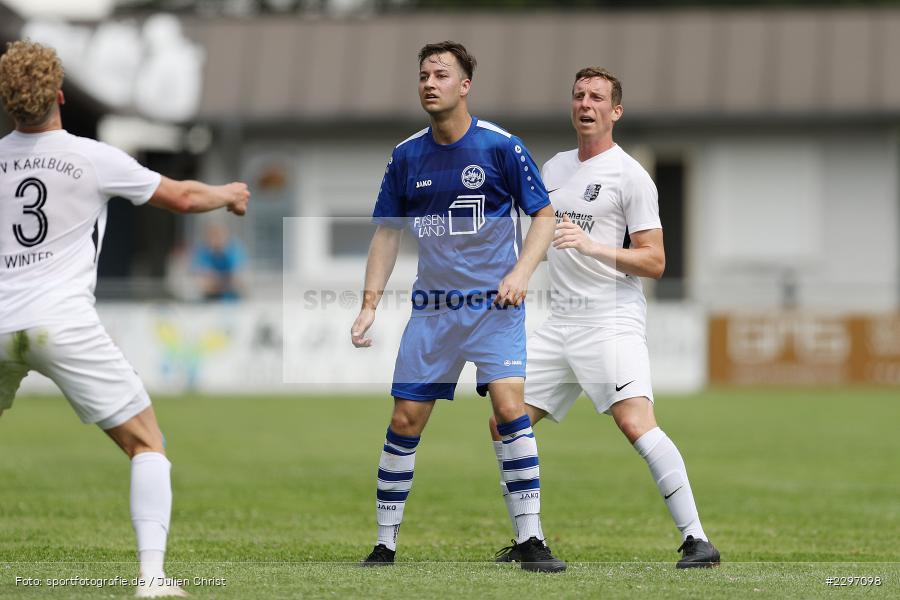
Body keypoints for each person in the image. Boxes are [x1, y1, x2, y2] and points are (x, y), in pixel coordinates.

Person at [0, 41, 250, 597]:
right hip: (59, 322)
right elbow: (182, 197)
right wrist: (229, 193)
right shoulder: (92, 156)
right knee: (146, 444)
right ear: (60, 94)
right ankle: (152, 579)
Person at [489, 67, 720, 569]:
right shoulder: (552, 169)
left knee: (635, 423)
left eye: (596, 97)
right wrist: (509, 271)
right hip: (559, 321)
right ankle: (530, 541)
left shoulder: (630, 175)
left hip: (610, 319)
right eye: (578, 96)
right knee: (505, 421)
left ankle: (697, 540)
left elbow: (655, 261)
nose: (585, 104)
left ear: (615, 111)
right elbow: (542, 241)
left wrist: (593, 246)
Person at [350, 41, 565, 572]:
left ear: (464, 86)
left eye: (441, 74)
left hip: (495, 308)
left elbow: (544, 216)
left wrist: (520, 273)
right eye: (423, 74)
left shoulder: (501, 147)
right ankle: (384, 545)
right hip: (434, 312)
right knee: (405, 418)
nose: (429, 82)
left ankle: (531, 540)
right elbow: (386, 233)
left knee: (510, 408)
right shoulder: (406, 156)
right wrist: (368, 304)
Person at [192, 222, 246, 301]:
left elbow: (238, 280)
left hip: (233, 299)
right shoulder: (203, 251)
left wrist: (215, 281)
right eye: (213, 236)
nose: (216, 240)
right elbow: (202, 282)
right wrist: (224, 281)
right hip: (209, 300)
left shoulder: (234, 250)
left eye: (219, 236)